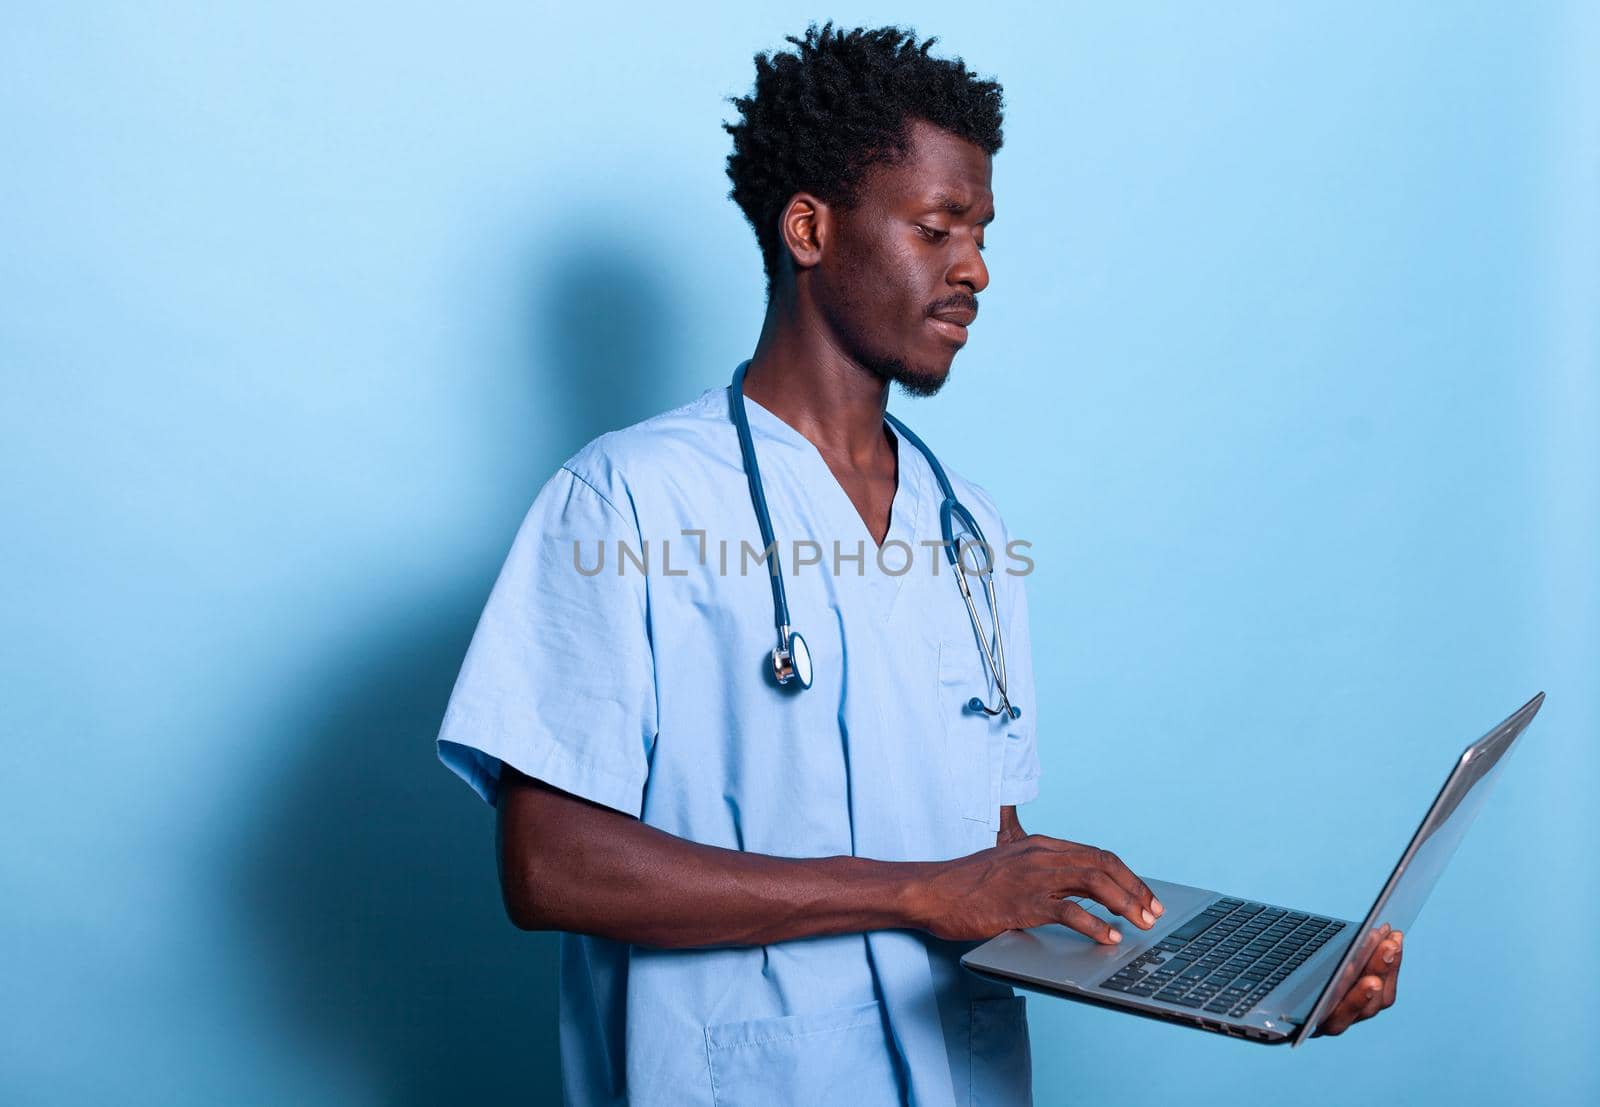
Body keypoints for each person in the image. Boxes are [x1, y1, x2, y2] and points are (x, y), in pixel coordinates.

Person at [436, 21, 1403, 1106]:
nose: (975, 269)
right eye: (938, 229)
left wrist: (1251, 983)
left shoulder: (968, 528)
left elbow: (981, 853)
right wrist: (922, 891)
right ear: (808, 229)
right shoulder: (627, 499)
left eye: (982, 232)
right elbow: (550, 864)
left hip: (959, 1074)